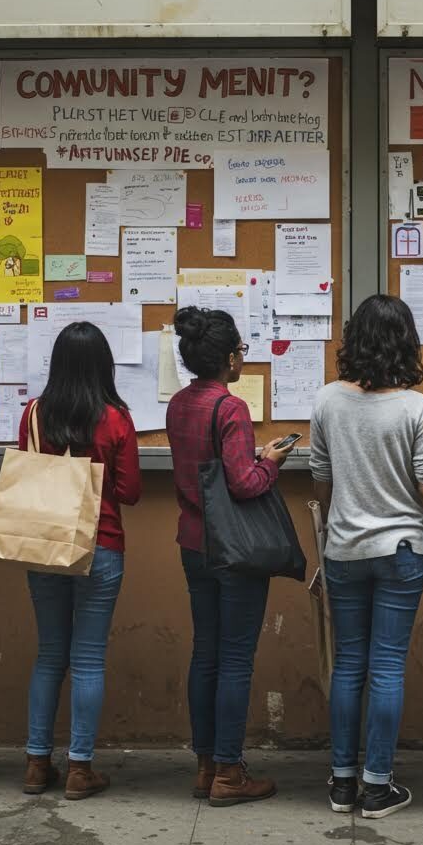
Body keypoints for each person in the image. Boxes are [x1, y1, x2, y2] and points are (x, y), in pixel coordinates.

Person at [309, 295, 423, 819]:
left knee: (349, 665)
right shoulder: (415, 407)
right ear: (405, 341)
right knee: (386, 666)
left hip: (344, 548)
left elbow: (321, 480)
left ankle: (342, 783)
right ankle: (377, 786)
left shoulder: (326, 401)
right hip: (402, 549)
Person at [166, 306, 295, 806]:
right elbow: (243, 484)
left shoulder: (179, 404)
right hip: (235, 550)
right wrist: (271, 463)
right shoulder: (231, 407)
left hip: (193, 543)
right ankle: (228, 772)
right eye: (241, 350)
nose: (244, 357)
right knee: (236, 659)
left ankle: (204, 766)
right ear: (226, 357)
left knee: (207, 652)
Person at [18, 321, 141, 800]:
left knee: (50, 654)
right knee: (88, 658)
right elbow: (129, 492)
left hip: (43, 545)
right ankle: (80, 768)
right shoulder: (114, 418)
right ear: (103, 366)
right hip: (100, 544)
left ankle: (34, 763)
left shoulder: (33, 413)